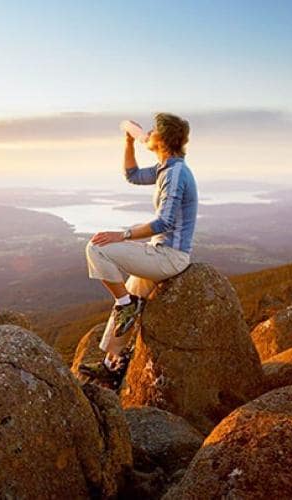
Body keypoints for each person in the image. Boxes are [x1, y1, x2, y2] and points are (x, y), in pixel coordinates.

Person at [81, 113, 198, 387]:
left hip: (169, 256)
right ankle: (113, 363)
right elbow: (132, 175)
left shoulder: (175, 173)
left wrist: (122, 235)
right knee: (128, 295)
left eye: (153, 130)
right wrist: (129, 142)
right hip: (161, 252)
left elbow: (165, 222)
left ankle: (126, 305)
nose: (149, 132)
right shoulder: (166, 168)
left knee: (97, 248)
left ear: (161, 139)